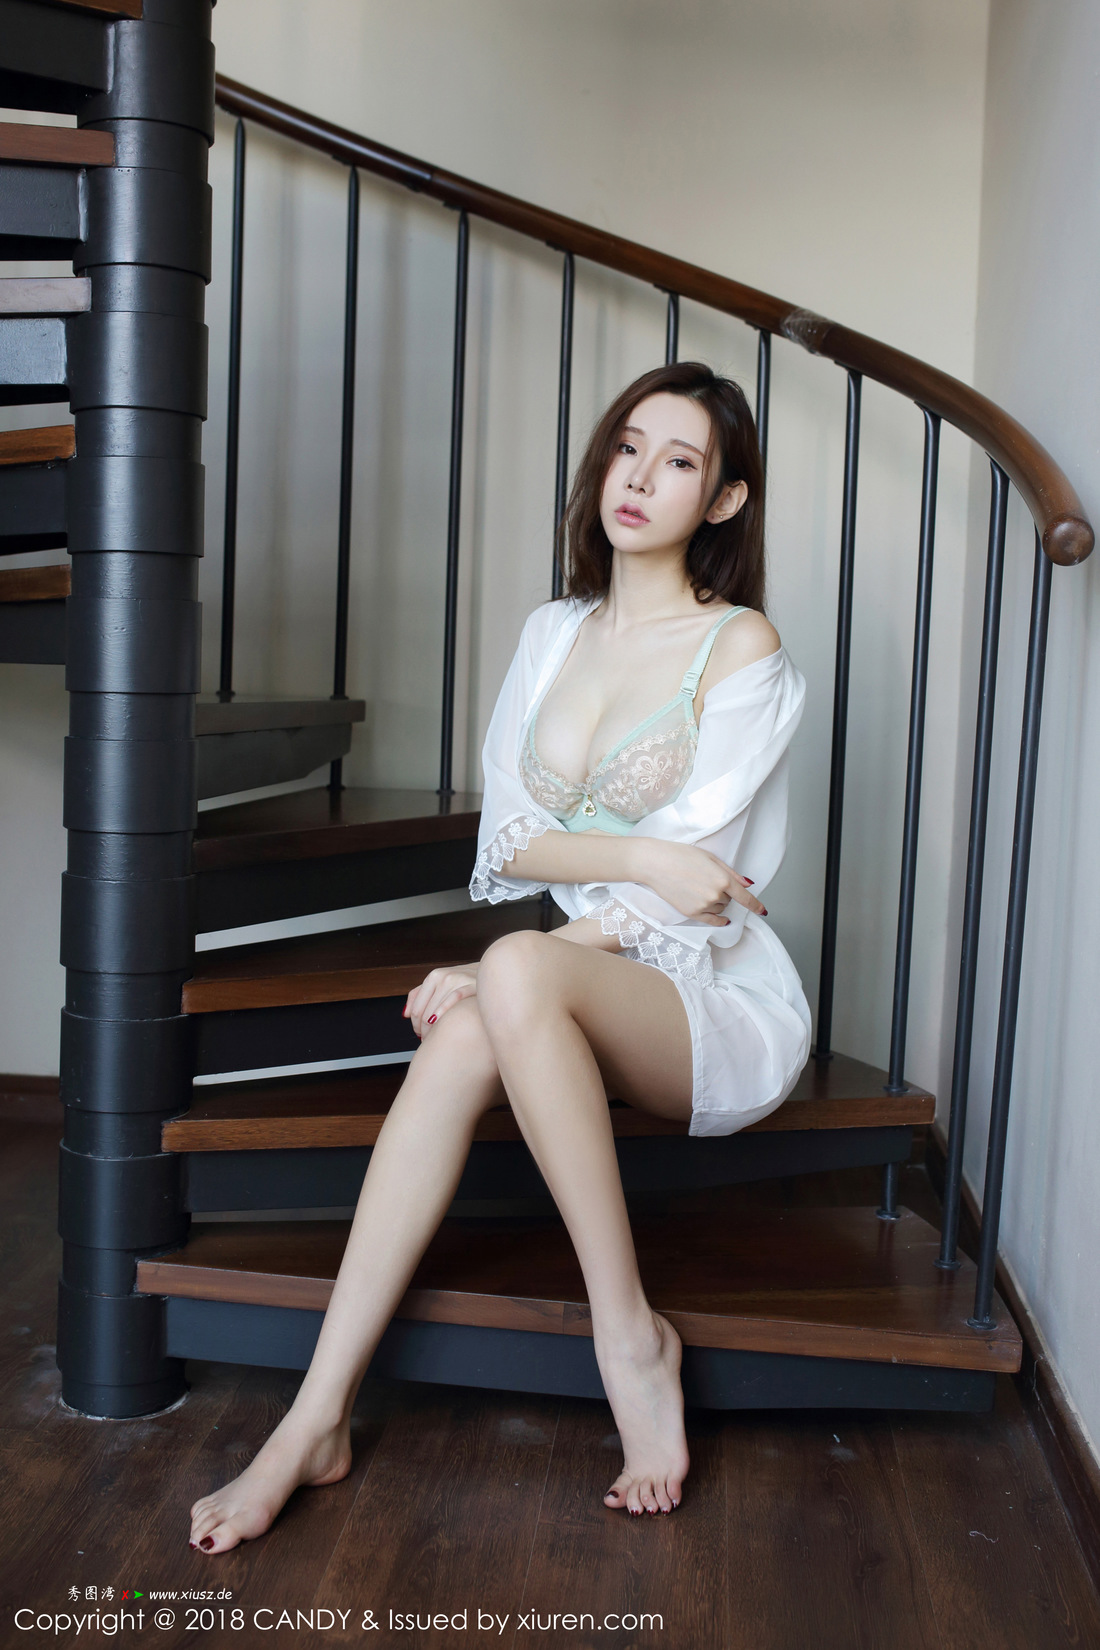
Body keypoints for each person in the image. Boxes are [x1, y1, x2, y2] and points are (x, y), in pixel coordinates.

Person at [187, 360, 811, 1553]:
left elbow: (703, 889)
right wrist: (633, 861)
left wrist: (534, 946)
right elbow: (510, 841)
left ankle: (627, 1335)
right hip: (575, 965)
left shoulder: (739, 646)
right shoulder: (552, 632)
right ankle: (315, 1417)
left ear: (723, 500)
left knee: (505, 974)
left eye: (679, 460)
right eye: (627, 446)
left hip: (710, 996)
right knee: (478, 1015)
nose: (639, 476)